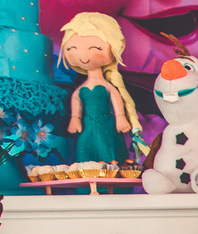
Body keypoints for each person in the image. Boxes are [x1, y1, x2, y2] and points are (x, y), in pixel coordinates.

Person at [59, 12, 141, 163]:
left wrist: (120, 117)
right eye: (71, 48)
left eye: (95, 47)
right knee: (84, 149)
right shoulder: (80, 90)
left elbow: (116, 100)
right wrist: (75, 119)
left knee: (107, 148)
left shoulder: (108, 87)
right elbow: (76, 104)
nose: (83, 55)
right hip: (87, 126)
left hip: (106, 125)